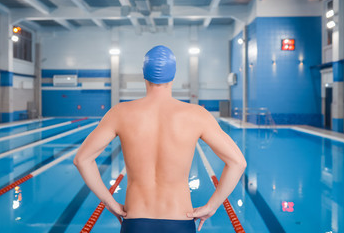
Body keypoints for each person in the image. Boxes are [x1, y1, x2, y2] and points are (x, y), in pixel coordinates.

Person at [73, 45, 247, 233]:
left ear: (144, 75)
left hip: (135, 221)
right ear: (173, 76)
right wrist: (211, 206)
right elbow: (238, 162)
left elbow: (82, 159)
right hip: (180, 220)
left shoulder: (120, 113)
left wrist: (110, 203)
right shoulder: (197, 115)